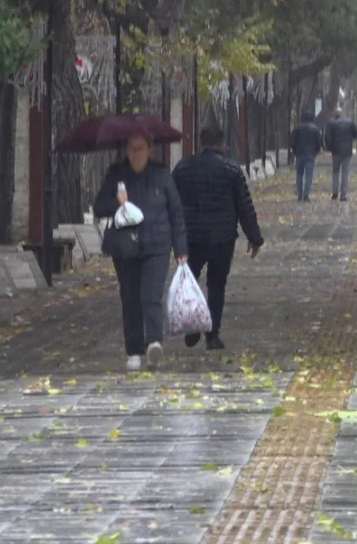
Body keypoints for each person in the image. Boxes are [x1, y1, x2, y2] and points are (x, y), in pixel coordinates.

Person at [94, 135, 188, 372]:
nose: (136, 154)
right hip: (125, 246)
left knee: (151, 295)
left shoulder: (162, 175)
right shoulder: (116, 175)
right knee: (130, 298)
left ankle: (154, 342)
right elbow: (99, 207)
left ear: (150, 149)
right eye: (131, 149)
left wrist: (181, 249)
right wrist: (118, 202)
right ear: (126, 150)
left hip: (157, 245)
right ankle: (134, 350)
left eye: (140, 148)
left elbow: (176, 213)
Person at [172, 126, 264, 350]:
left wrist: (172, 235)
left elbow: (172, 203)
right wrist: (254, 238)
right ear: (222, 144)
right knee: (216, 285)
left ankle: (192, 325)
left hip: (191, 236)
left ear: (201, 143)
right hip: (221, 239)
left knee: (190, 281)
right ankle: (212, 335)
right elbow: (244, 206)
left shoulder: (183, 168)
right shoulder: (231, 169)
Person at [325, 107, 357, 201]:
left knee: (335, 172)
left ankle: (335, 193)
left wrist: (330, 148)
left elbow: (327, 137)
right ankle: (343, 194)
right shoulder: (350, 122)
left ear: (335, 114)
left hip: (336, 151)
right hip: (347, 151)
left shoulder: (331, 123)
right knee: (345, 173)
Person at [291, 110, 324, 201]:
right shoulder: (315, 129)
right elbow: (319, 142)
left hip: (299, 154)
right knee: (309, 175)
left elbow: (292, 141)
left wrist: (295, 151)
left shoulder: (297, 129)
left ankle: (299, 195)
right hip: (311, 154)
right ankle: (306, 194)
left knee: (299, 174)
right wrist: (316, 151)